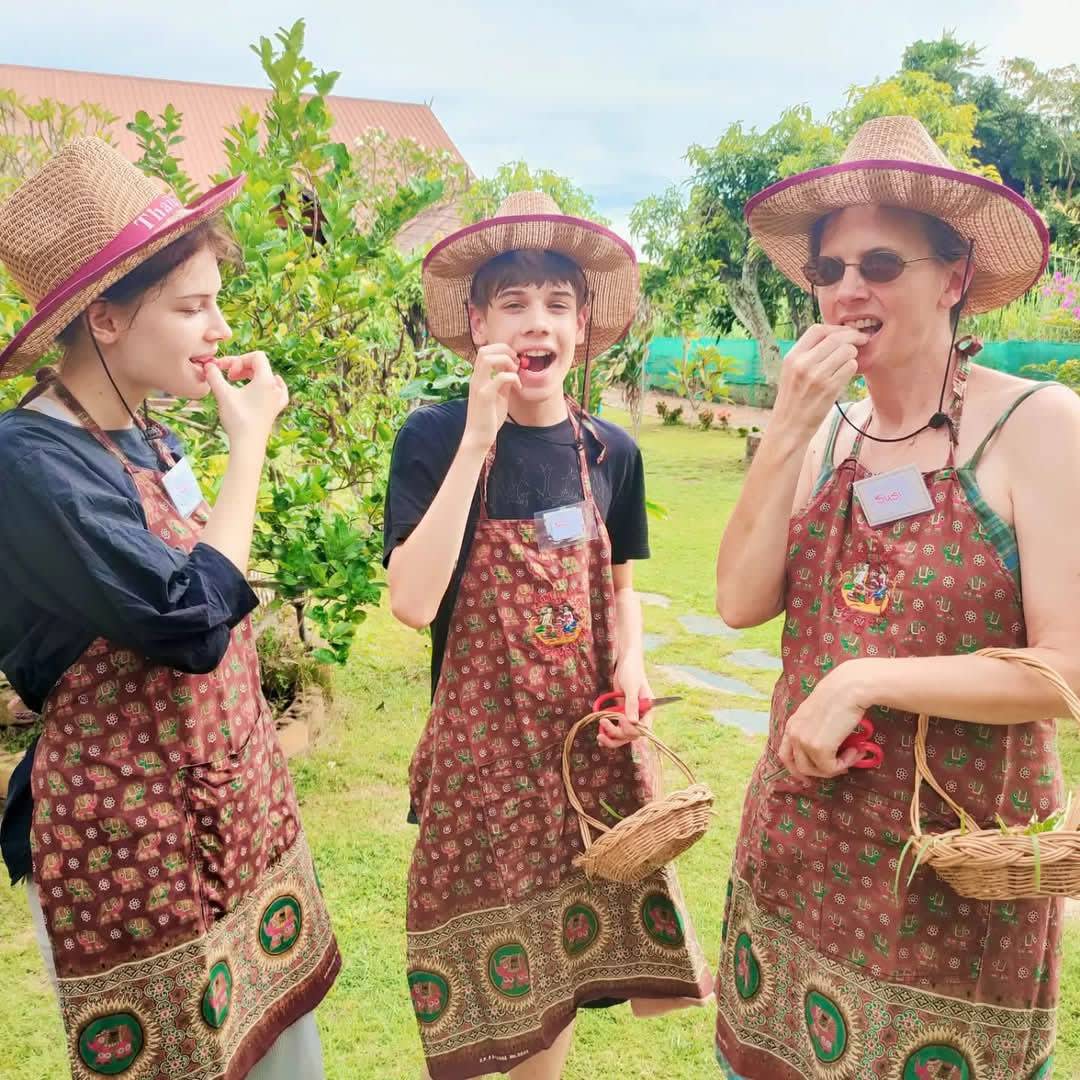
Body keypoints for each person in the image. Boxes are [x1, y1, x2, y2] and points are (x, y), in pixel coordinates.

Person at [712, 114, 1075, 1079]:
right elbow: (738, 602)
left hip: (953, 878)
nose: (847, 290)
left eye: (880, 263)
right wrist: (786, 428)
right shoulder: (830, 434)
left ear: (954, 276)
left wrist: (864, 679)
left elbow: (1066, 672)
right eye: (828, 269)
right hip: (797, 854)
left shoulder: (1035, 426)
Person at [0, 138, 340, 1079]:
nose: (218, 327)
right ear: (106, 318)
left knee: (277, 1051)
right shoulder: (30, 462)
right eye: (192, 307)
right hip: (128, 844)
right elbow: (189, 624)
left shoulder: (142, 435)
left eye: (216, 302)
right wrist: (250, 446)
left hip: (230, 812)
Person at [385, 191, 712, 1079]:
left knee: (564, 957)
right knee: (481, 961)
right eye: (514, 302)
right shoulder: (433, 437)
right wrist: (476, 440)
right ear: (478, 324)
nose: (538, 321)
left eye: (558, 303)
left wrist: (633, 663)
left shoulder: (610, 450)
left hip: (581, 757)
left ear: (582, 324)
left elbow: (622, 588)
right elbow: (411, 602)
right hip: (480, 768)